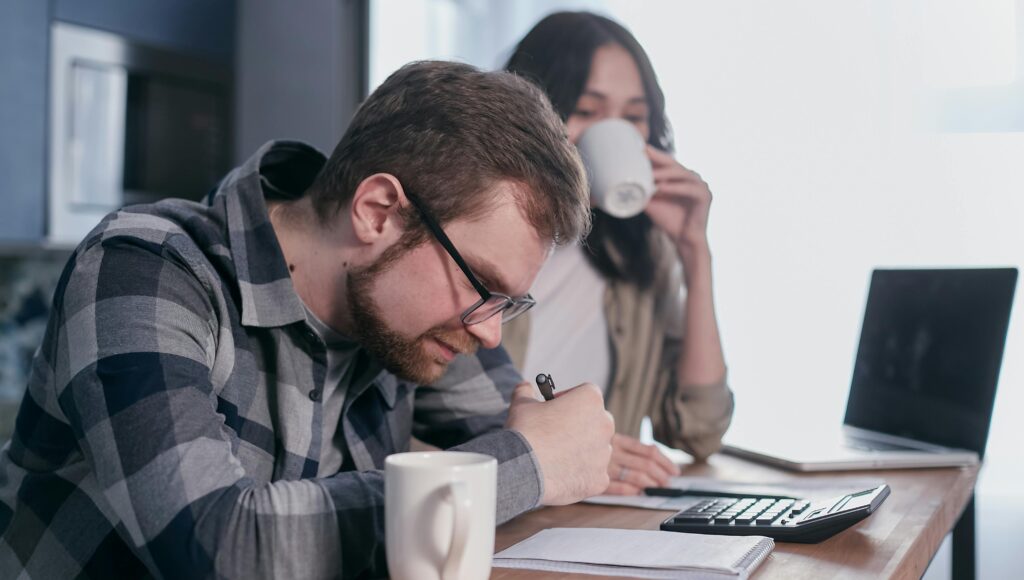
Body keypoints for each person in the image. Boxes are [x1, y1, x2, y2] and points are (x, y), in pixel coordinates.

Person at [0, 61, 614, 578]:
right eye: (484, 286)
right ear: (377, 212)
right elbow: (212, 545)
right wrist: (530, 462)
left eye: (509, 302)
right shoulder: (144, 266)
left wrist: (559, 447)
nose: (490, 332)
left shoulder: (403, 312)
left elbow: (519, 436)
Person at [503, 11, 734, 495]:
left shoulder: (642, 253)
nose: (613, 134)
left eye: (632, 118)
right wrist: (555, 461)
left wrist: (696, 253)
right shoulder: (481, 240)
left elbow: (698, 430)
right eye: (586, 110)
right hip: (501, 512)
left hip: (599, 519)